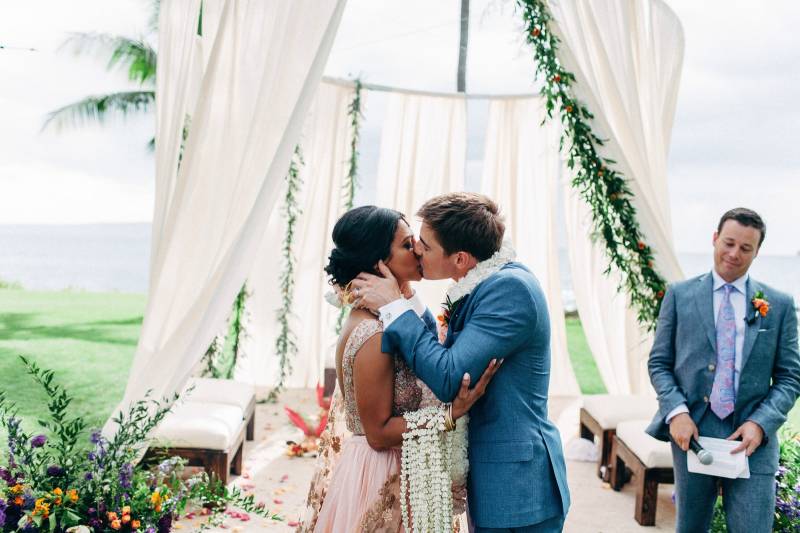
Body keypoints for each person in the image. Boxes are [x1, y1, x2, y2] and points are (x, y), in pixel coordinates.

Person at [352, 193, 570, 532]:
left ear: (460, 259)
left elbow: (449, 375)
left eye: (425, 244)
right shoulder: (487, 279)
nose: (417, 250)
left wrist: (394, 306)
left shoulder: (510, 290)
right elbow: (443, 346)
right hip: (498, 478)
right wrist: (406, 296)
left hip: (517, 488)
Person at [299, 205, 499, 532]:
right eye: (407, 245)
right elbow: (377, 433)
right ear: (379, 261)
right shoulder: (373, 336)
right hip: (380, 474)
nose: (418, 249)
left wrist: (400, 295)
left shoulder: (387, 317)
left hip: (408, 467)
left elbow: (425, 337)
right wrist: (451, 413)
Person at [646, 207, 800, 532]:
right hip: (694, 437)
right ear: (715, 238)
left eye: (745, 248)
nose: (734, 254)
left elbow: (789, 377)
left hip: (752, 443)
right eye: (728, 243)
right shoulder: (679, 295)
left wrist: (760, 423)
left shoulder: (780, 305)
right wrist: (677, 413)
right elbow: (659, 364)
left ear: (757, 252)